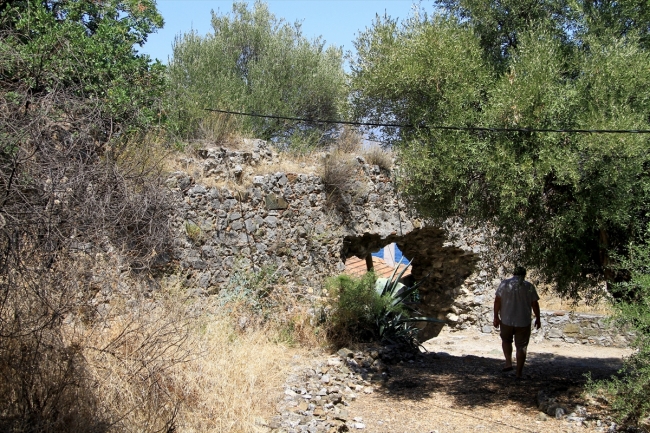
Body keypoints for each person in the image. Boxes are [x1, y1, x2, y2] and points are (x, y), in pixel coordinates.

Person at [493, 266, 541, 379]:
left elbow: (497, 301)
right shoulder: (529, 286)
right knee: (521, 346)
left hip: (506, 320)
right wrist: (538, 318)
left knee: (506, 340)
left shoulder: (504, 284)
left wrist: (496, 316)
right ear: (524, 274)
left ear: (513, 273)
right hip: (523, 321)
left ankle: (508, 362)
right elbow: (535, 303)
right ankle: (519, 373)